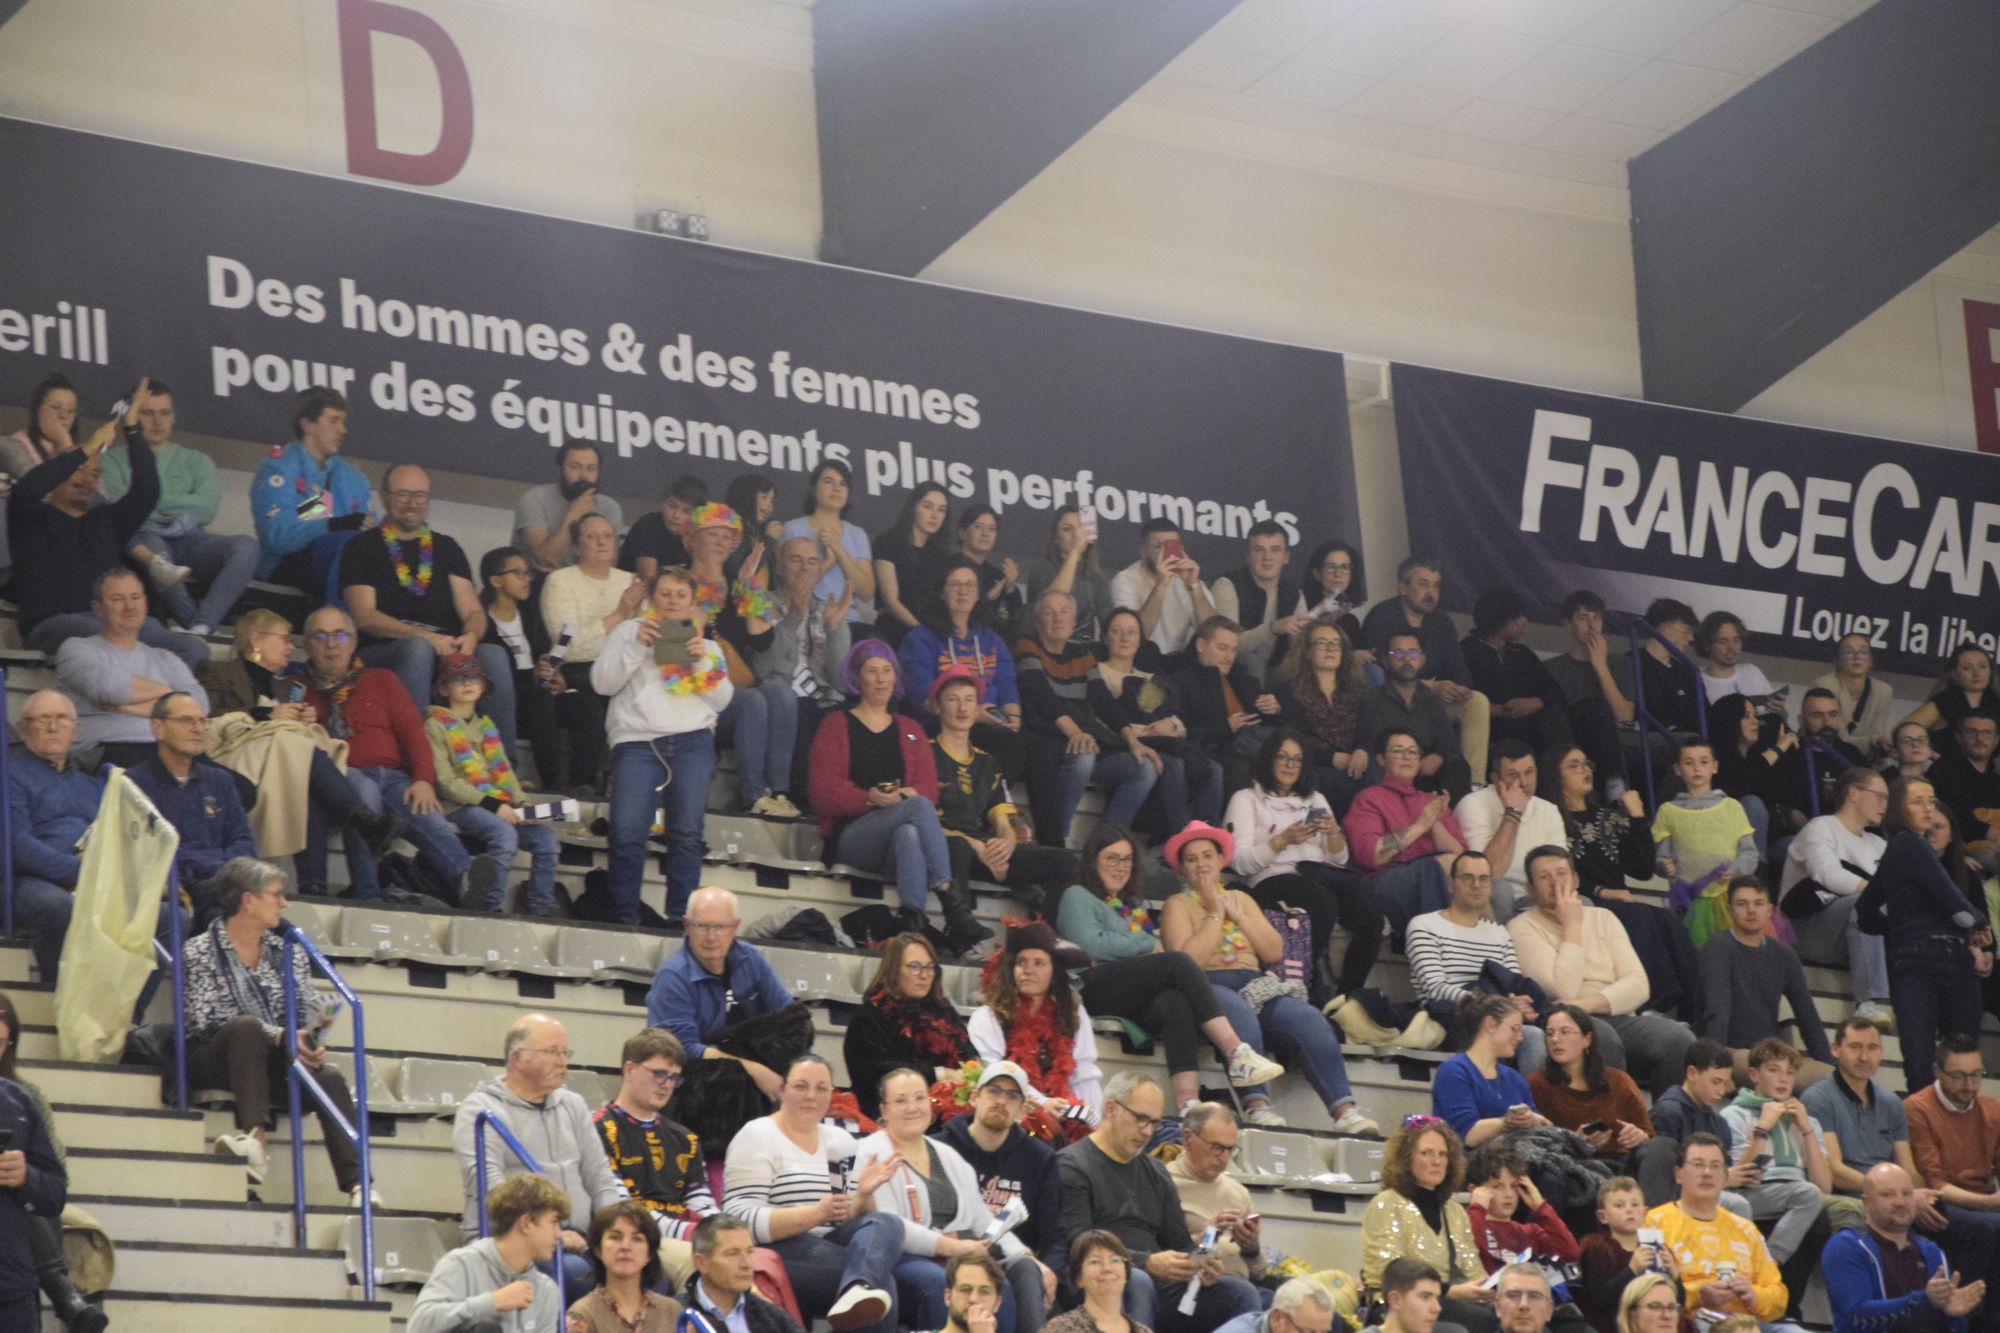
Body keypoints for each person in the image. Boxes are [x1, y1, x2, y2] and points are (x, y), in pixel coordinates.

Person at [1160, 821, 1378, 1133]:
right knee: (1237, 1013)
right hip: (1207, 985)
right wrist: (1214, 913)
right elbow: (1188, 961)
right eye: (1191, 859)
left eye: (1207, 856)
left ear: (1221, 861)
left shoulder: (1243, 899)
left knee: (1309, 1019)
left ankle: (1345, 1110)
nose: (1201, 865)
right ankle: (1257, 1105)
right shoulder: (1176, 905)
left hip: (1254, 982)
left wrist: (1234, 911)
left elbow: (1274, 951)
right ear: (1182, 869)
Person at [1055, 824, 1286, 1111]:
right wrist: (1143, 942)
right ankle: (1235, 1051)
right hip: (1092, 985)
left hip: (1131, 989)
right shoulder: (1077, 895)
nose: (1120, 867)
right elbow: (1093, 946)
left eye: (1127, 859)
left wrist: (1137, 944)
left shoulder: (1131, 904)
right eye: (1111, 858)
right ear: (1093, 861)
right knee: (1178, 961)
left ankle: (1187, 1102)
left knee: (1176, 1002)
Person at [183, 858, 365, 1199]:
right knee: (246, 1029)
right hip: (215, 1059)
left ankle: (359, 1184)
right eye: (276, 895)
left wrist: (310, 1039)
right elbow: (205, 1019)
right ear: (248, 900)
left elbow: (305, 1010)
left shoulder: (288, 953)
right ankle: (256, 1141)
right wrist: (280, 1035)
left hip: (272, 1061)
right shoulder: (199, 951)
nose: (285, 904)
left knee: (327, 1077)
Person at [292, 606, 494, 905]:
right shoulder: (298, 689)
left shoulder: (382, 679)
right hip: (343, 776)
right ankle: (368, 895)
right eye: (320, 636)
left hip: (395, 777)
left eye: (339, 635)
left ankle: (467, 882)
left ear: (354, 641)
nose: (331, 644)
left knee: (428, 816)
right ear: (307, 644)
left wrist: (424, 779)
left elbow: (412, 731)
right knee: (365, 791)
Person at [11, 383, 204, 669]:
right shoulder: (30, 517)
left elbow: (147, 491)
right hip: (55, 625)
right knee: (110, 636)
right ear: (59, 470)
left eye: (95, 474)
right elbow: (28, 488)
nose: (88, 480)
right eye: (79, 470)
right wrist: (84, 449)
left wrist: (132, 428)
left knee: (193, 650)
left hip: (114, 626)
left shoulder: (106, 522)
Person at [1058, 1070, 1262, 1333]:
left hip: (1160, 1286)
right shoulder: (1073, 1165)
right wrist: (1148, 1263)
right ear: (1111, 1109)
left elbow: (1182, 1245)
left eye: (1154, 1123)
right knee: (1138, 1282)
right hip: (1101, 1280)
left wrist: (1202, 1261)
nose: (1146, 1132)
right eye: (1141, 1119)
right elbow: (1079, 1245)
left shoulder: (1156, 1172)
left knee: (1239, 1292)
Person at [341, 461, 519, 759]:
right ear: (384, 496)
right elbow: (364, 616)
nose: (412, 503)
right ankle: (421, 759)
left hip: (446, 646)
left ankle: (505, 765)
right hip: (387, 648)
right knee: (417, 650)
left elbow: (473, 612)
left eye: (420, 495)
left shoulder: (447, 547)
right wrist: (424, 637)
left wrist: (471, 637)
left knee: (493, 655)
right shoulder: (362, 547)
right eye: (403, 494)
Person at [857, 1067, 1052, 1333]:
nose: (912, 1107)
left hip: (960, 1258)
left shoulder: (947, 1154)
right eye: (901, 1100)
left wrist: (1023, 1254)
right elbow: (891, 1226)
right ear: (884, 1109)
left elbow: (983, 1219)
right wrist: (953, 1248)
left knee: (999, 1285)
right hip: (905, 1260)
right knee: (940, 1283)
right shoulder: (871, 1151)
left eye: (919, 1098)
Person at [721, 1053, 903, 1333]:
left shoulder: (839, 1141)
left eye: (821, 1088)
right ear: (783, 1090)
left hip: (828, 1242)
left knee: (888, 1222)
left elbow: (841, 1216)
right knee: (882, 1284)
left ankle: (858, 1286)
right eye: (801, 1086)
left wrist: (864, 1196)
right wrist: (814, 1214)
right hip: (777, 1248)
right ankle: (858, 1286)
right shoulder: (757, 1135)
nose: (811, 1096)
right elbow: (738, 1220)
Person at [593, 567, 733, 924]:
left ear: (691, 603)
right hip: (637, 743)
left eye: (680, 595)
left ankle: (679, 922)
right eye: (665, 594)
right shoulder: (627, 631)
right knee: (626, 833)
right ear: (652, 598)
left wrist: (701, 658)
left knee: (686, 834)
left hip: (692, 742)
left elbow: (723, 701)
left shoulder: (708, 643)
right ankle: (623, 919)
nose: (672, 602)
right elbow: (602, 684)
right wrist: (639, 645)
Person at [455, 1013, 628, 1290]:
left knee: (652, 1277)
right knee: (576, 1274)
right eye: (552, 1052)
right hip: (511, 1239)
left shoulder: (574, 1105)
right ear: (518, 1057)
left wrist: (617, 1233)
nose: (562, 1062)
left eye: (564, 1052)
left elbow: (600, 1178)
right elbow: (492, 1190)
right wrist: (551, 1232)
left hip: (580, 1237)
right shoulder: (481, 1111)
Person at [6, 690, 166, 986]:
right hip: (34, 881)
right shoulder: (8, 775)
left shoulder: (96, 785)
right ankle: (60, 997)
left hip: (96, 880)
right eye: (43, 719)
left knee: (169, 917)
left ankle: (128, 1017)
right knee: (57, 907)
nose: (53, 727)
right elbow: (18, 845)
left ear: (75, 729)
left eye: (62, 719)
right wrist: (82, 872)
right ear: (23, 728)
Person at [1510, 847, 1694, 1096]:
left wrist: (1585, 1004)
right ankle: (1610, 1125)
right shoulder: (1521, 927)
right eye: (1544, 877)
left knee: (1678, 1038)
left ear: (1575, 879)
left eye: (1561, 873)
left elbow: (1639, 985)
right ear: (1531, 889)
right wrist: (1572, 925)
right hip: (1564, 1023)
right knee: (1601, 1037)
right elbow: (1562, 988)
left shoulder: (1603, 917)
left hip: (1615, 1014)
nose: (1555, 883)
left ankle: (1665, 1124)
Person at [1225, 725, 1387, 1007]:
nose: (1290, 765)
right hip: (1271, 878)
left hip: (1319, 875)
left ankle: (1348, 999)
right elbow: (1239, 862)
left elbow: (1339, 859)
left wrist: (1334, 833)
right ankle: (1305, 984)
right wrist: (1281, 841)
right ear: (1269, 759)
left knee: (1371, 915)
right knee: (1321, 902)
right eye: (1283, 757)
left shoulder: (1315, 799)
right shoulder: (1246, 799)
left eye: (1297, 759)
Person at [806, 641, 956, 940]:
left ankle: (913, 918)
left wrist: (903, 796)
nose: (881, 679)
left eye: (887, 671)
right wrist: (869, 798)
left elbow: (928, 786)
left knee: (910, 833)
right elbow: (822, 791)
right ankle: (949, 897)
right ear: (856, 678)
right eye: (872, 671)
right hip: (850, 837)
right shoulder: (836, 724)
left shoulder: (910, 728)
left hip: (893, 840)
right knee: (919, 807)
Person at [1542, 745, 1698, 1022]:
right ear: (1556, 776)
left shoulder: (1607, 817)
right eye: (1574, 765)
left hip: (1619, 899)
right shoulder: (1550, 820)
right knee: (1639, 916)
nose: (1585, 770)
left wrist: (1637, 817)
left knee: (1667, 920)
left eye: (1586, 763)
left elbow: (1640, 868)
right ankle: (1649, 1003)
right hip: (1584, 901)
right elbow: (1559, 872)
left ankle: (1693, 1006)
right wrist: (1601, 890)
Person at [96, 379, 259, 636]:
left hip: (190, 537)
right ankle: (195, 626)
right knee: (155, 549)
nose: (157, 421)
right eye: (147, 413)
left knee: (246, 546)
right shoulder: (113, 460)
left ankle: (203, 623)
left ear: (174, 417)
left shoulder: (197, 460)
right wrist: (179, 504)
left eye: (165, 413)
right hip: (141, 538)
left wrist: (149, 499)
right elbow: (121, 506)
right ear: (134, 417)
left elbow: (207, 507)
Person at [1856, 777, 1989, 1092]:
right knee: (1949, 1061)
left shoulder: (1897, 850)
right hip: (1933, 963)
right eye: (1918, 802)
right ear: (1898, 808)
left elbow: (1865, 911)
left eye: (1931, 800)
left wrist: (1899, 932)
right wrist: (1977, 921)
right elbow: (1949, 898)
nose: (1929, 809)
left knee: (1925, 1063)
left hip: (1924, 962)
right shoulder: (1908, 843)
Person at [685, 502, 802, 818]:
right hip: (694, 691)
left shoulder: (739, 585)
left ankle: (778, 793)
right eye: (713, 535)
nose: (722, 542)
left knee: (781, 695)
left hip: (733, 691)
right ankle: (753, 797)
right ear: (692, 538)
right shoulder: (676, 583)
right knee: (753, 701)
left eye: (729, 537)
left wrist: (750, 588)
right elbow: (672, 649)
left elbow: (762, 641)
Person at [1014, 589, 1158, 844]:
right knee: (1084, 757)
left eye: (1064, 612)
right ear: (1038, 622)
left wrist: (1133, 741)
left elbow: (1102, 700)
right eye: (1049, 613)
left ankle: (1107, 844)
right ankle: (1057, 837)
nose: (1058, 619)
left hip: (1086, 741)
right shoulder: (1027, 645)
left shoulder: (1082, 654)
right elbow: (1040, 695)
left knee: (1143, 768)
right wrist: (1074, 732)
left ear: (1074, 619)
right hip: (1046, 740)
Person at [931, 670, 1071, 927]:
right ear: (937, 706)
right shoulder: (925, 754)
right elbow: (922, 821)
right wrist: (974, 844)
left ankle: (1048, 935)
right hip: (946, 849)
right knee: (958, 849)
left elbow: (1004, 821)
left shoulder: (988, 762)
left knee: (1065, 861)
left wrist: (1005, 847)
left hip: (984, 851)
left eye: (969, 700)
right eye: (953, 700)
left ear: (977, 708)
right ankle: (960, 933)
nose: (962, 708)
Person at [426, 654, 562, 915]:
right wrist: (493, 804)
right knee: (504, 834)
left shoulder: (487, 727)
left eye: (473, 677)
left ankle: (540, 904)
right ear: (443, 688)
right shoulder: (435, 725)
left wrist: (521, 803)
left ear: (484, 686)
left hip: (498, 803)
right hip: (461, 804)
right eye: (457, 679)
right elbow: (446, 782)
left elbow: (505, 772)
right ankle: (489, 904)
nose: (467, 683)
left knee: (546, 840)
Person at [0, 992, 101, 1333]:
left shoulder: (22, 1099)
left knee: (36, 1206)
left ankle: (59, 1285)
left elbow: (55, 1181)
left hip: (12, 1277)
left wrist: (25, 1174)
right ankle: (60, 1288)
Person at [899, 558, 1035, 805]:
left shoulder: (991, 639)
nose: (963, 591)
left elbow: (1007, 685)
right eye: (955, 585)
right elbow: (923, 697)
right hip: (938, 724)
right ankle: (977, 810)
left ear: (978, 595)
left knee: (1018, 745)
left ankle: (980, 809)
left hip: (989, 722)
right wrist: (972, 715)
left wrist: (1012, 717)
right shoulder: (920, 638)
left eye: (970, 586)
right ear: (941, 593)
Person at [589, 1028, 715, 1289]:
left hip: (682, 1235)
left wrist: (719, 1231)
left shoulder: (686, 1138)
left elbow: (701, 1201)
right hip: (634, 1237)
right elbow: (619, 1209)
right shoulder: (599, 1129)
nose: (666, 1084)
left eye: (674, 1077)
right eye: (659, 1074)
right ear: (629, 1070)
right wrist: (696, 1235)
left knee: (753, 1258)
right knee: (708, 1262)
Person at [644, 887, 793, 1102]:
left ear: (735, 927)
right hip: (695, 1091)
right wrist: (753, 1070)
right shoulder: (671, 976)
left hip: (753, 1085)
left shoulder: (751, 959)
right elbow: (681, 1049)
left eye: (721, 927)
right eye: (702, 926)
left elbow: (789, 1019)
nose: (711, 937)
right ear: (687, 925)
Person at [1403, 855, 1545, 1070]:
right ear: (1451, 884)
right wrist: (1490, 1003)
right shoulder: (1425, 925)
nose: (1476, 885)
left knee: (1561, 1029)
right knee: (1531, 1036)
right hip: (1452, 1017)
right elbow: (1435, 989)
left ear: (1491, 887)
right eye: (1467, 878)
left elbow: (1514, 983)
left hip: (1499, 1014)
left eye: (1484, 879)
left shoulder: (1499, 932)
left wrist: (1518, 1003)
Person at [1716, 1039, 1841, 1283]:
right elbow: (1741, 1176)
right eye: (1774, 1070)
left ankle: (1773, 1272)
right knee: (1807, 1194)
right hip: (1753, 1191)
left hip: (1797, 1191)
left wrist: (1806, 1130)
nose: (1783, 1079)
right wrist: (1763, 1127)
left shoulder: (1808, 1120)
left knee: (1813, 1197)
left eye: (1790, 1073)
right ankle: (1768, 1264)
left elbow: (1823, 1185)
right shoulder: (1734, 1114)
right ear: (1754, 1074)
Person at [936, 1061, 1072, 1284]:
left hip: (1012, 1267)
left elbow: (1053, 1235)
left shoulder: (1041, 1159)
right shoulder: (940, 1149)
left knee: (1029, 1272)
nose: (1001, 1101)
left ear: (1022, 1109)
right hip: (949, 1260)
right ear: (974, 1098)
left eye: (1012, 1096)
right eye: (993, 1091)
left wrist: (1051, 1275)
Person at [539, 512, 644, 795]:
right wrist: (620, 613)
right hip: (576, 671)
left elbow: (643, 638)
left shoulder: (630, 582)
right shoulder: (560, 581)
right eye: (591, 536)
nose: (601, 542)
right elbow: (569, 646)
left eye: (608, 536)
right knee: (592, 705)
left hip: (621, 671)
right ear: (576, 547)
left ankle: (630, 788)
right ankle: (581, 786)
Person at [55, 567, 210, 759]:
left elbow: (200, 704)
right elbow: (111, 689)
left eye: (136, 597)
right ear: (98, 608)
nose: (129, 606)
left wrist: (127, 708)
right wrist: (169, 694)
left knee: (238, 784)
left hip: (168, 749)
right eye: (117, 599)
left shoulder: (165, 658)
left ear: (145, 603)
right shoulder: (75, 649)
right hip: (110, 748)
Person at [125, 693, 255, 919]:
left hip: (220, 885)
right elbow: (152, 850)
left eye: (201, 721)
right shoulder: (133, 783)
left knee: (237, 911)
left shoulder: (220, 780)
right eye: (186, 720)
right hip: (173, 885)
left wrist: (224, 870)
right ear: (158, 728)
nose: (197, 728)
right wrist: (217, 866)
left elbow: (243, 839)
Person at [1359, 1116, 1492, 1333]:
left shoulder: (1455, 1211)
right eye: (1426, 1153)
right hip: (1398, 1305)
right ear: (1405, 1159)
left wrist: (1492, 1289)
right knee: (1478, 1321)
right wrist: (1449, 1291)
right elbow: (1392, 1273)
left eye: (1442, 1154)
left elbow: (1473, 1268)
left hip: (1448, 1302)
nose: (1436, 1161)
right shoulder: (1386, 1203)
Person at [1360, 557, 1489, 780]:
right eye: (1423, 584)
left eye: (1436, 585)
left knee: (1477, 702)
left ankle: (1475, 784)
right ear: (1403, 587)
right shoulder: (1382, 615)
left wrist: (1458, 689)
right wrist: (1431, 686)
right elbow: (1380, 668)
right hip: (1392, 700)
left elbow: (1459, 669)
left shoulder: (1441, 621)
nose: (1431, 592)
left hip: (1429, 703)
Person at [1087, 607, 1214, 830]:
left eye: (1132, 632)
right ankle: (1180, 836)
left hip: (1157, 743)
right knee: (1171, 764)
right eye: (1117, 631)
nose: (1125, 638)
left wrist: (1171, 724)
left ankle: (1205, 833)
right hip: (1116, 746)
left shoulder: (1149, 679)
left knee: (1214, 768)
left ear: (1140, 641)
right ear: (1106, 637)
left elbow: (1174, 720)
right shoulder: (1096, 672)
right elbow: (1098, 716)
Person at [1643, 1135, 1790, 1328]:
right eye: (1697, 1164)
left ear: (1725, 1177)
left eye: (1715, 1166)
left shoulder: (1745, 1229)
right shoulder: (1656, 1221)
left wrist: (1754, 1295)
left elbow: (1779, 1296)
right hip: (1692, 1322)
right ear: (1679, 1174)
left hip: (1748, 1323)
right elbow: (1650, 1291)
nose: (1707, 1173)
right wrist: (1697, 1295)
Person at [1780, 768, 1890, 1023]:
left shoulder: (1879, 844)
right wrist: (1874, 892)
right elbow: (1826, 874)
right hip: (1806, 927)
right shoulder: (1821, 827)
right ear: (1853, 792)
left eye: (1887, 799)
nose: (1885, 805)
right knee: (1866, 905)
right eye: (1879, 796)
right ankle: (1868, 1001)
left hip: (1854, 933)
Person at [1696, 877, 1835, 1080]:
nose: (1751, 911)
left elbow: (1808, 1017)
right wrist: (1714, 1066)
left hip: (1770, 1057)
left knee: (1830, 1078)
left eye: (1758, 904)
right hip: (1729, 1052)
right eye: (1742, 904)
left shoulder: (1784, 954)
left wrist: (1828, 1065)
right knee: (1764, 1069)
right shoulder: (1718, 947)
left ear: (1769, 910)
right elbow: (1717, 1011)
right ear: (1729, 909)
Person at [968, 921, 1105, 1125]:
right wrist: (1042, 1103)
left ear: (1054, 972)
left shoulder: (1074, 1014)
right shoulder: (987, 1017)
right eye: (1021, 962)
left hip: (1063, 1116)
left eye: (1038, 963)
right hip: (1009, 1120)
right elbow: (995, 1073)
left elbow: (1085, 1074)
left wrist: (1093, 1124)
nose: (1028, 970)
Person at [1802, 1017, 1940, 1219]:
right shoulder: (1817, 1098)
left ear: (1881, 1053)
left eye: (1872, 1048)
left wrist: (1914, 1195)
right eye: (1855, 1047)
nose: (1864, 1057)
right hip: (1849, 1196)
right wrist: (1891, 1193)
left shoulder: (1892, 1102)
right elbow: (1836, 1171)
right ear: (1835, 1049)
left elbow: (1908, 1168)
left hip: (1891, 1195)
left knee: (1947, 1217)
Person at [1822, 1162, 1981, 1333]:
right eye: (1887, 1195)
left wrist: (1952, 1315)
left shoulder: (1932, 1252)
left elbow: (1949, 1325)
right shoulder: (1846, 1246)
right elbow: (1856, 1318)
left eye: (1907, 1194)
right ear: (1866, 1202)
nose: (1900, 1202)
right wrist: (1924, 1300)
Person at [1905, 1034, 2000, 1317]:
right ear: (1938, 1072)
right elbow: (1935, 1183)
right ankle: (1958, 1318)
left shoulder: (1992, 1109)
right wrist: (1991, 1203)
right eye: (1959, 1076)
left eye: (1976, 1075)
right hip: (1940, 1202)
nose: (1969, 1085)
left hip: (1984, 1200)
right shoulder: (1917, 1108)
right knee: (1984, 1229)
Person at [755, 535, 853, 802]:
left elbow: (840, 682)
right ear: (780, 567)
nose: (804, 567)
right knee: (800, 707)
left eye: (812, 561)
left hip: (821, 699)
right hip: (778, 695)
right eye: (795, 559)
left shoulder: (828, 610)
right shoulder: (762, 604)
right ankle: (793, 798)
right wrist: (793, 617)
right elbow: (763, 667)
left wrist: (834, 631)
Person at [410, 1172, 568, 1333]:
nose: (558, 1234)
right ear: (526, 1223)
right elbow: (418, 1325)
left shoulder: (546, 1290)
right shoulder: (461, 1264)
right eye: (553, 1222)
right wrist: (491, 1302)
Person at [1528, 1003, 1669, 1184]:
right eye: (1550, 1033)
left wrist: (1639, 1136)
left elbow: (1647, 1132)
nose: (1555, 1039)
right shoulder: (1537, 1084)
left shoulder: (1618, 1080)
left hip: (1623, 1164)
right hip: (1575, 1168)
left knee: (1663, 1147)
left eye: (1565, 1032)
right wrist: (1577, 1143)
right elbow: (1536, 1145)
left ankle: (1652, 1211)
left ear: (1587, 1039)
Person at [1345, 727, 1466, 937]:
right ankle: (1442, 946)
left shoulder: (1431, 801)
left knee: (1484, 881)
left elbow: (1461, 860)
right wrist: (1420, 826)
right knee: (1438, 867)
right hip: (1384, 883)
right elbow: (1371, 855)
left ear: (1420, 761)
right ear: (1381, 759)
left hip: (1432, 878)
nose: (1406, 757)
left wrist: (1434, 823)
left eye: (1412, 752)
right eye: (1398, 751)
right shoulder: (1369, 798)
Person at [842, 933, 975, 1121]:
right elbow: (877, 1076)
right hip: (889, 1121)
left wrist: (973, 1073)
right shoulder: (869, 1016)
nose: (924, 975)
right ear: (894, 970)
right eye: (914, 967)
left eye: (930, 967)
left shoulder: (945, 1012)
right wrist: (939, 1073)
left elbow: (968, 1056)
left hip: (949, 1118)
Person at [250, 385, 372, 587]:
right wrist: (332, 524)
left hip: (341, 561)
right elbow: (278, 536)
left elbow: (367, 526)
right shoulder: (277, 469)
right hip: (286, 565)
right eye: (333, 421)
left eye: (343, 421)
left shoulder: (351, 476)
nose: (343, 430)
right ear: (307, 425)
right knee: (346, 546)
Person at [1652, 740, 1759, 948]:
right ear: (1677, 769)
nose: (1697, 768)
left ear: (1714, 766)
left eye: (1703, 761)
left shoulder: (1731, 807)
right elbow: (1662, 857)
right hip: (1689, 902)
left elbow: (1749, 852)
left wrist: (1736, 869)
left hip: (1729, 899)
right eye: (1689, 763)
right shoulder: (1668, 811)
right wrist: (1664, 865)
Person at [476, 547, 567, 790]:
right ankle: (553, 783)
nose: (526, 579)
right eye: (518, 573)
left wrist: (556, 674)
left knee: (585, 706)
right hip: (509, 701)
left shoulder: (531, 614)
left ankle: (584, 785)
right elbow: (493, 676)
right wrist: (532, 675)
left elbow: (545, 654)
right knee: (539, 698)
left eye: (528, 574)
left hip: (540, 691)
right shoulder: (479, 620)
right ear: (495, 580)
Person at [1456, 743, 1567, 923]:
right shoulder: (1473, 804)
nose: (1523, 783)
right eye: (1513, 775)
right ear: (1495, 779)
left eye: (1529, 772)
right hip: (1490, 896)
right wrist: (1513, 813)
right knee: (1500, 889)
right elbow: (1489, 871)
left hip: (1536, 896)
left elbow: (1559, 868)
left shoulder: (1549, 811)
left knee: (1584, 903)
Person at [1541, 591, 1638, 798]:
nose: (1592, 626)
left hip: (1615, 735)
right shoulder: (1550, 669)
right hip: (1572, 736)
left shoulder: (1621, 664)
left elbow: (1624, 716)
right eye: (1583, 618)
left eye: (1597, 618)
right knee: (1592, 708)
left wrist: (1600, 667)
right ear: (1567, 624)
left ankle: (1615, 787)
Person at [1270, 617, 1371, 815]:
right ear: (1307, 652)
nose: (1331, 649)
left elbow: (1368, 726)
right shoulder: (1290, 690)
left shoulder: (1356, 688)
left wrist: (1362, 749)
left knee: (1375, 772)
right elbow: (1293, 739)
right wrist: (1332, 758)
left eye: (1336, 644)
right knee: (1322, 779)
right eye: (1322, 643)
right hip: (1316, 763)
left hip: (1354, 761)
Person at [1357, 634, 1474, 804]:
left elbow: (1450, 747)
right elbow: (1371, 746)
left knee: (1458, 767)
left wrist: (1439, 756)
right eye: (1398, 654)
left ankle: (1453, 824)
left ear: (1422, 659)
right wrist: (1409, 761)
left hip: (1424, 774)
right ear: (1385, 660)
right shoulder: (1373, 698)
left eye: (1413, 654)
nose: (1406, 660)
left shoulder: (1431, 700)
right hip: (1391, 771)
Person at [1171, 616, 1281, 793]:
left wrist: (1273, 709)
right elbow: (1184, 732)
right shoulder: (1182, 682)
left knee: (1295, 747)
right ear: (1201, 645)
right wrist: (1227, 726)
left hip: (1254, 741)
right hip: (1218, 749)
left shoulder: (1244, 680)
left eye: (1233, 650)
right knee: (1261, 759)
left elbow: (1266, 721)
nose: (1229, 657)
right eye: (1222, 648)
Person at [1166, 1104, 1268, 1288]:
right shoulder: (1166, 1184)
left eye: (1230, 1149)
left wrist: (1251, 1249)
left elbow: (1259, 1274)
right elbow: (1171, 1265)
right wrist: (1209, 1237)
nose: (1224, 1158)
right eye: (1216, 1147)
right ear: (1188, 1138)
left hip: (1246, 1284)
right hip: (1195, 1287)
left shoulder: (1238, 1192)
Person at [1463, 590, 1572, 758]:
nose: (1525, 621)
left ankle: (1563, 771)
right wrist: (1496, 710)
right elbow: (1456, 701)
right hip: (1489, 729)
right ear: (1502, 620)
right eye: (1518, 616)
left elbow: (1555, 692)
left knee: (1556, 714)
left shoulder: (1521, 653)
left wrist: (1535, 701)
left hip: (1529, 725)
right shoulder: (1466, 650)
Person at [1432, 994, 1549, 1149]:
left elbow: (1543, 1124)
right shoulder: (1453, 1071)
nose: (1520, 1037)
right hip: (1472, 1165)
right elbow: (1468, 1135)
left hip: (1515, 1161)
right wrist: (1506, 1122)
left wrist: (1532, 1120)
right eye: (1515, 1029)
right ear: (1490, 1024)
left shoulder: (1514, 1077)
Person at [1210, 521, 1309, 686]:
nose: (1267, 557)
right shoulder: (1227, 585)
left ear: (1286, 557)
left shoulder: (1294, 593)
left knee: (1306, 665)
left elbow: (1300, 647)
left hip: (1276, 668)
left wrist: (1315, 628)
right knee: (1253, 661)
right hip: (1235, 667)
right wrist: (1272, 628)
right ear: (1247, 556)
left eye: (1275, 550)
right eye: (1258, 550)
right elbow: (1227, 644)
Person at [1576, 1179, 1681, 1333]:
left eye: (1635, 1204)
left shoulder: (1661, 1249)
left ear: (1645, 1213)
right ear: (1602, 1216)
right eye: (1619, 1205)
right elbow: (1597, 1301)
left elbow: (1679, 1302)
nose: (1629, 1210)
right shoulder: (1596, 1248)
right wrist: (1631, 1271)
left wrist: (1675, 1276)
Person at [565, 1202, 683, 1332]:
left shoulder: (673, 1311)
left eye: (637, 1239)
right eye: (615, 1237)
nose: (625, 1246)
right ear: (598, 1250)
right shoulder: (583, 1314)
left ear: (649, 1254)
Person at [782, 459, 875, 623]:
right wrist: (829, 561)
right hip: (805, 616)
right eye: (828, 481)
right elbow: (792, 584)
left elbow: (866, 593)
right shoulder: (792, 529)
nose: (837, 489)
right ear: (813, 488)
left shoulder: (857, 534)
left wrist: (838, 548)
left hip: (849, 619)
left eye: (843, 484)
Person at [1464, 1147, 1581, 1277]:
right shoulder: (1471, 1225)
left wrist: (1541, 1207)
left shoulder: (1531, 1231)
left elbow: (1570, 1255)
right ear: (1475, 1190)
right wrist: (1477, 1208)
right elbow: (1466, 1249)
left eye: (1514, 1186)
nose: (1508, 1195)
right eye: (1497, 1186)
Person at [514, 440, 623, 577]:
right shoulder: (534, 499)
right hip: (537, 585)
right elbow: (545, 559)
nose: (583, 475)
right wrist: (574, 514)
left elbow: (609, 563)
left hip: (587, 584)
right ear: (561, 469)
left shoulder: (609, 507)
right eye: (575, 467)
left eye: (591, 469)